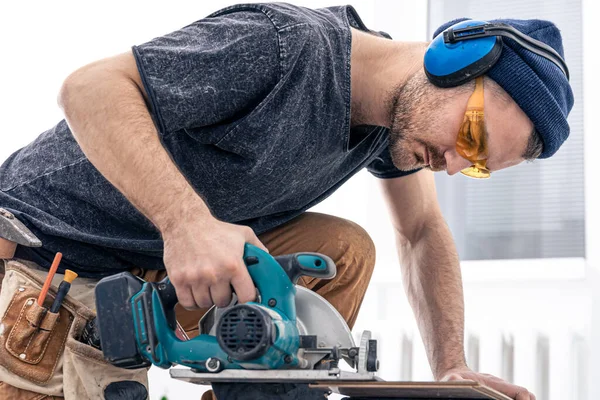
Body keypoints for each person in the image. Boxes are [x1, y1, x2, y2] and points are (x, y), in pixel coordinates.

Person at [0, 3, 572, 400]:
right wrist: (186, 222)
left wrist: (451, 370)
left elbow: (421, 229)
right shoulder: (284, 48)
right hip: (41, 259)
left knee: (343, 251)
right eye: (470, 138)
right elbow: (88, 87)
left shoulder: (394, 124)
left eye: (473, 165)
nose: (451, 163)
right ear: (452, 60)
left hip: (142, 265)